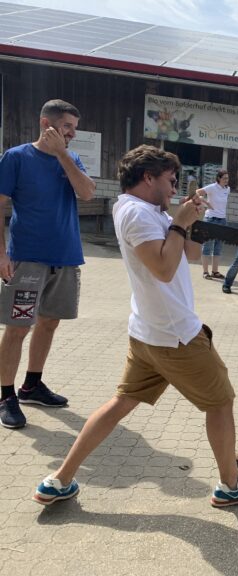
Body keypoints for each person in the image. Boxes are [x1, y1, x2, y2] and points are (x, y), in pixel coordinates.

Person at [33, 145, 238, 507]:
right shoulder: (138, 214)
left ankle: (59, 480)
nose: (175, 189)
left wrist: (189, 222)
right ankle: (231, 486)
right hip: (175, 335)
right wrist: (177, 221)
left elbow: (187, 257)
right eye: (170, 181)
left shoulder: (147, 211)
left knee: (121, 403)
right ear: (148, 177)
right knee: (221, 404)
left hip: (149, 332)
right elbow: (162, 268)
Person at [0, 99, 95, 430]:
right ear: (46, 124)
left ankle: (32, 385)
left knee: (50, 323)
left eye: (74, 128)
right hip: (28, 258)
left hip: (65, 258)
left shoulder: (70, 159)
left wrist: (63, 155)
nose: (72, 133)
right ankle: (6, 395)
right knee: (18, 327)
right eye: (67, 126)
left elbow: (86, 193)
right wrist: (2, 253)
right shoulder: (16, 157)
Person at [198, 169, 230, 280]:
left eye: (227, 178)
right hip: (210, 219)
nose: (226, 180)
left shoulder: (227, 189)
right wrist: (205, 203)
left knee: (218, 247)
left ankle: (215, 271)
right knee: (207, 246)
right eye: (224, 178)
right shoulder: (212, 187)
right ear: (219, 178)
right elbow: (197, 193)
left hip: (222, 220)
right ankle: (205, 272)